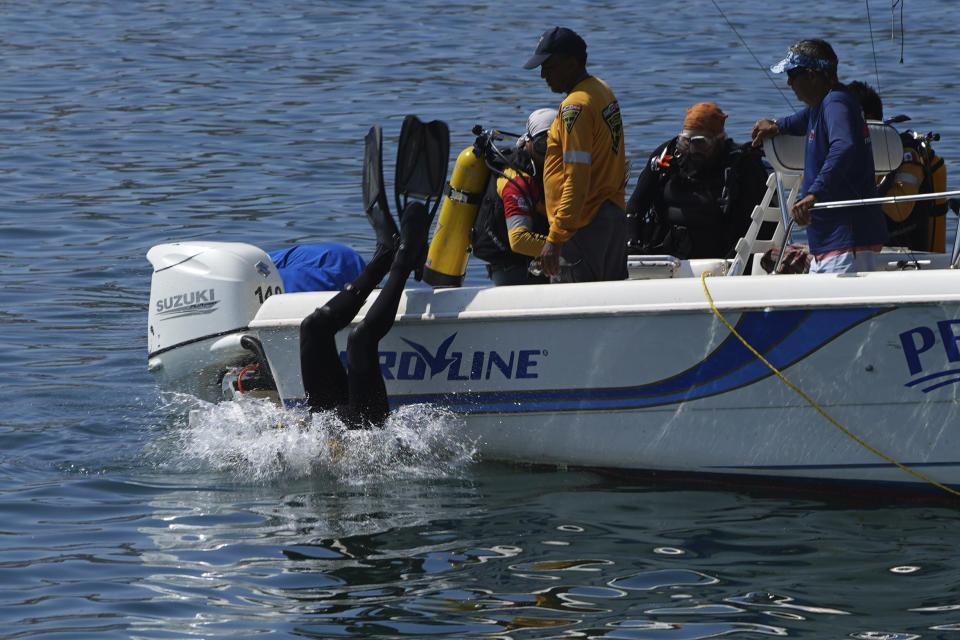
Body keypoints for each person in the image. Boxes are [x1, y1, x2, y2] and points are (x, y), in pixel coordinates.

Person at [751, 38, 888, 274]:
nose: (789, 82)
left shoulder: (835, 103)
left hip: (846, 241)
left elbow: (844, 147)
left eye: (792, 75)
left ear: (813, 75)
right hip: (828, 242)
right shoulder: (825, 104)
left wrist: (815, 194)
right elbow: (801, 120)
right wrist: (776, 126)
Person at [298, 202, 430, 428]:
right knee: (359, 340)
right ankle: (404, 260)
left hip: (327, 426)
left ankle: (382, 260)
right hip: (363, 434)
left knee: (312, 327)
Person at [523, 26, 627, 282]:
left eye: (548, 66)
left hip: (583, 225)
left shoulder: (574, 107)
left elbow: (576, 177)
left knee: (576, 309)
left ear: (571, 63)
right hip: (611, 215)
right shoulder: (601, 91)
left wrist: (556, 236)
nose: (543, 75)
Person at [625, 102, 768, 259]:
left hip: (721, 259)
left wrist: (733, 264)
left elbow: (758, 226)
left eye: (700, 143)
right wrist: (632, 243)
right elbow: (634, 207)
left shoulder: (742, 167)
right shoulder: (666, 157)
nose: (692, 150)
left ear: (719, 141)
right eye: (686, 142)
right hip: (668, 257)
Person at [847, 80, 948, 252]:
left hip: (907, 257)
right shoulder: (849, 156)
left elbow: (899, 211)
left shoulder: (906, 156)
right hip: (861, 250)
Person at [471, 108, 554, 285]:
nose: (549, 154)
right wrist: (564, 245)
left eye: (557, 147)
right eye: (543, 145)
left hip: (534, 266)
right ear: (528, 142)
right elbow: (519, 240)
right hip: (514, 274)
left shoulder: (540, 172)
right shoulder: (516, 181)